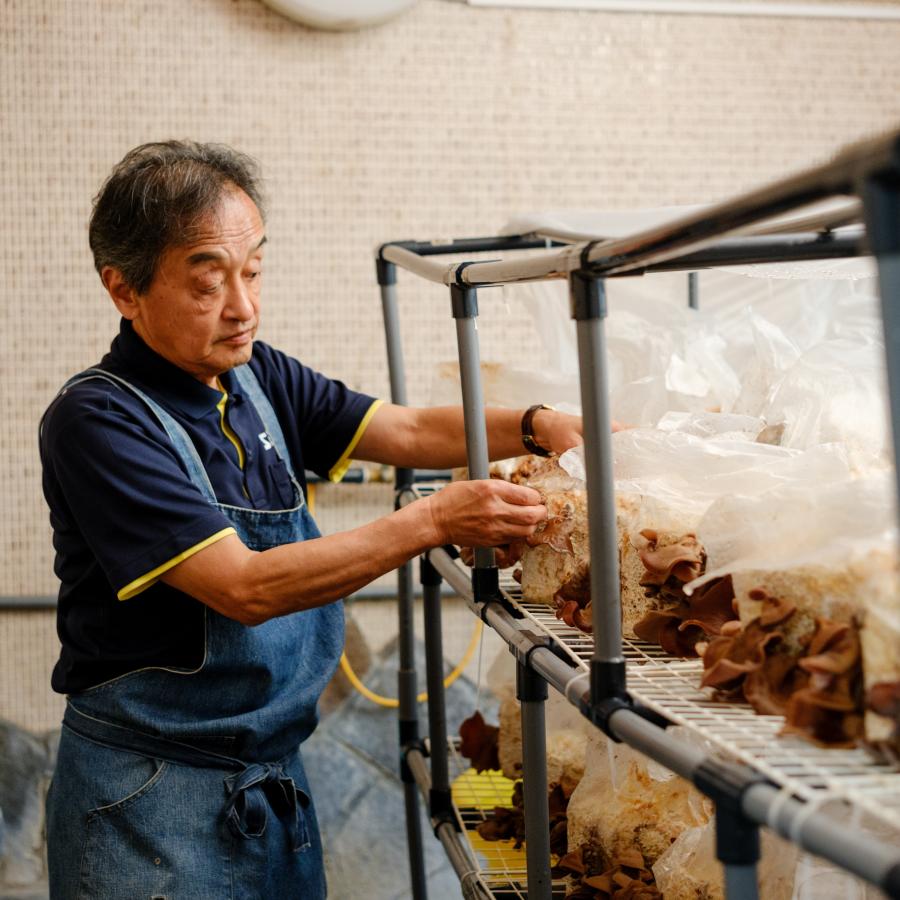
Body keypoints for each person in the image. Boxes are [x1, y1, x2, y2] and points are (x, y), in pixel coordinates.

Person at [39, 141, 584, 900]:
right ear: (124, 290)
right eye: (208, 284)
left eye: (253, 271)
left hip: (272, 780)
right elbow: (245, 588)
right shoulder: (98, 421)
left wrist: (541, 424)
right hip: (152, 801)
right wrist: (432, 519)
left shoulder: (256, 376)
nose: (244, 306)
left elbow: (406, 431)